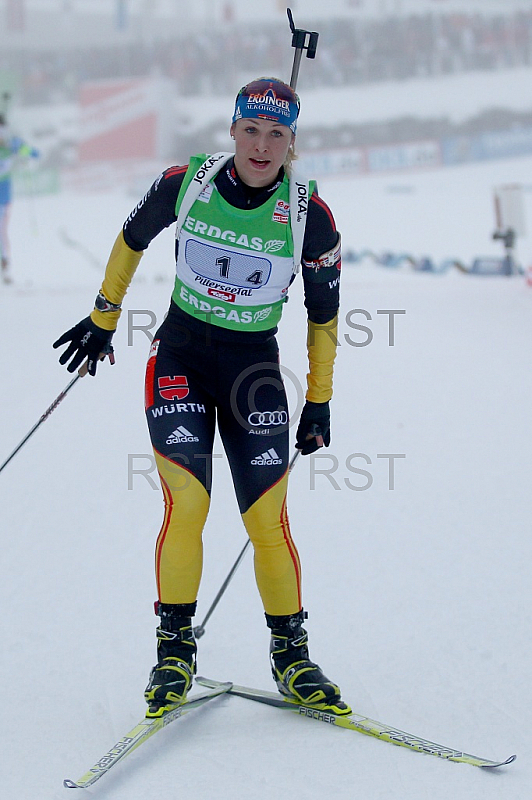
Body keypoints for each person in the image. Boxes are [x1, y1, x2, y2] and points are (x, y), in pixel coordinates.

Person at [53, 77, 348, 718]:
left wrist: (318, 401)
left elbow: (323, 317)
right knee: (187, 505)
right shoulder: (185, 182)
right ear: (232, 129)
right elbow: (132, 239)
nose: (261, 145)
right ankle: (174, 650)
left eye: (277, 135)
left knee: (266, 519)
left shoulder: (310, 217)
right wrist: (105, 317)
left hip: (253, 372)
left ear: (292, 144)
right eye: (251, 130)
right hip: (181, 357)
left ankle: (291, 656)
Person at [0, 114, 39, 283]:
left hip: (3, 197)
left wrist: (20, 147)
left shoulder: (10, 146)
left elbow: (34, 153)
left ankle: (5, 265)